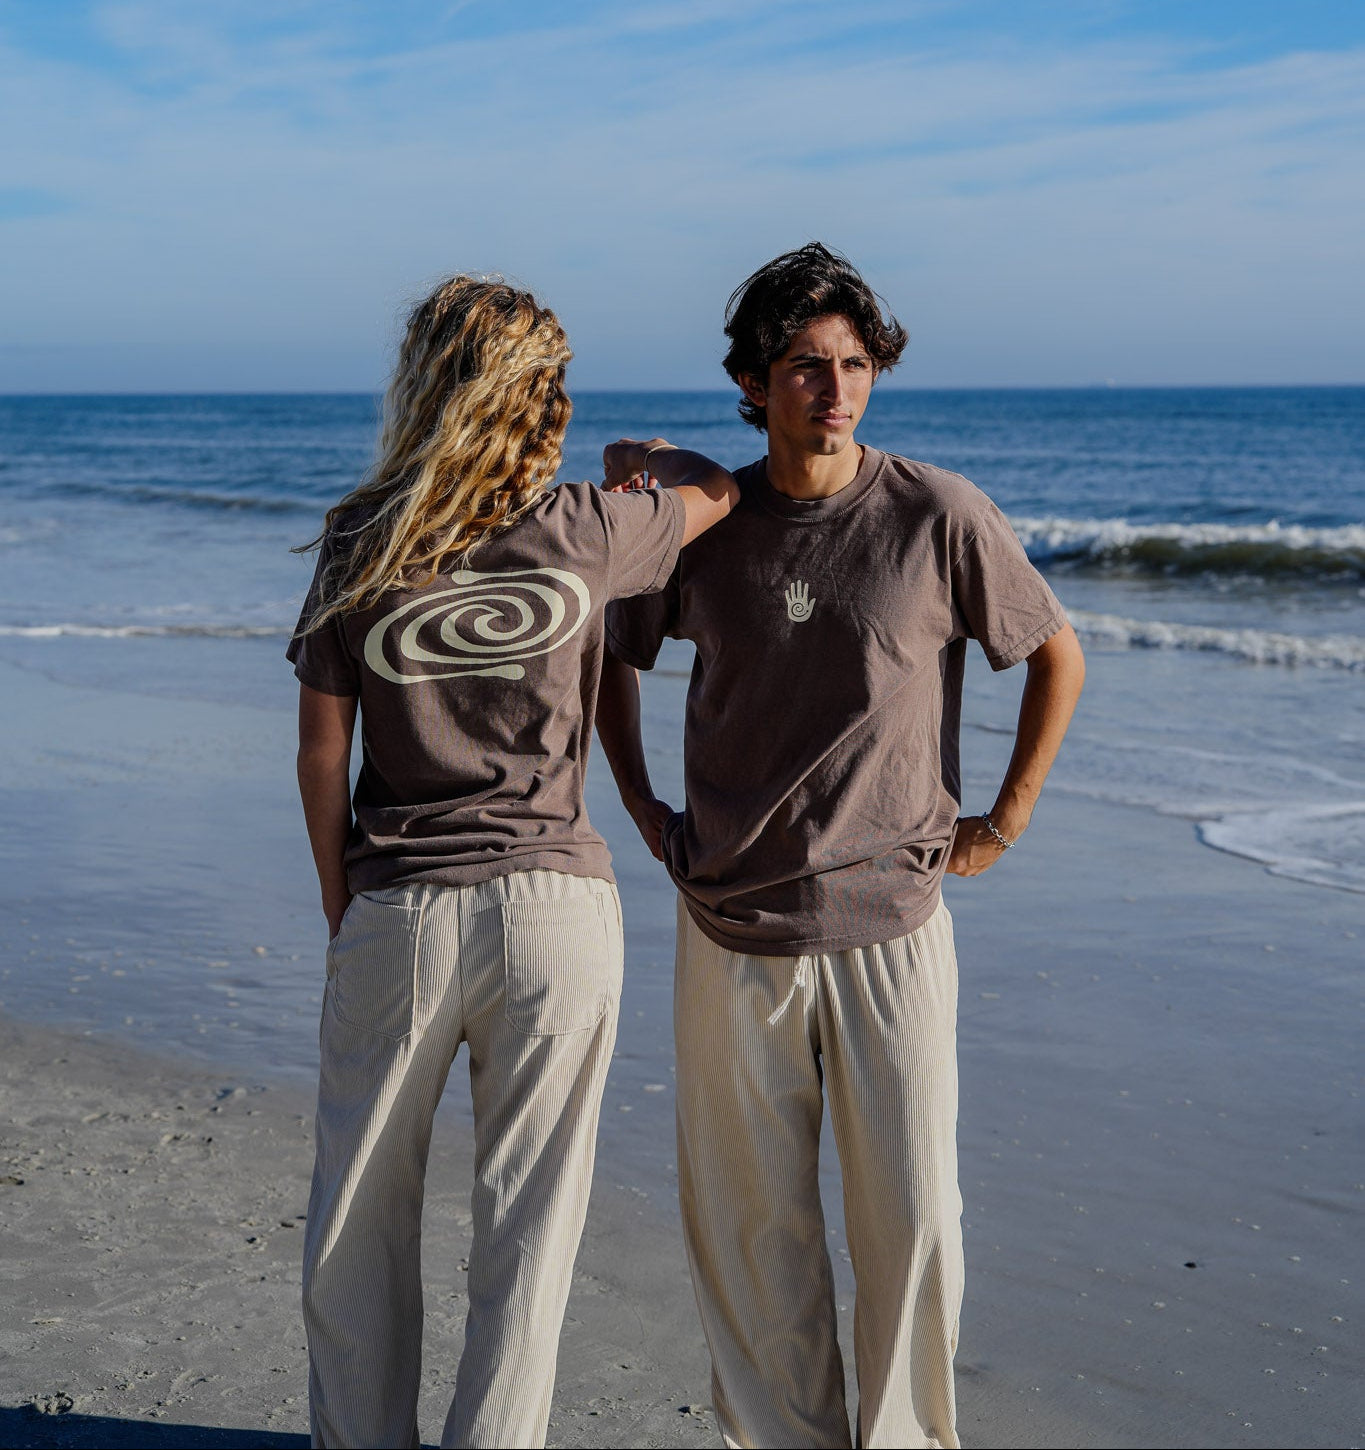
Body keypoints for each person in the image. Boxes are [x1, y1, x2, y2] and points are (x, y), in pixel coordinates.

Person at [597, 243, 1086, 1449]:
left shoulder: (938, 513)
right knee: (753, 1234)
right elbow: (614, 654)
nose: (836, 388)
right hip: (731, 928)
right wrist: (644, 805)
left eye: (855, 364)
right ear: (754, 383)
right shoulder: (702, 524)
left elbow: (1057, 652)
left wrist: (1006, 820)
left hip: (894, 929)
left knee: (914, 1224)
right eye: (806, 366)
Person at [287, 274, 738, 1449]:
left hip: (400, 909)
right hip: (557, 913)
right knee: (529, 1239)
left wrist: (346, 902)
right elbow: (721, 490)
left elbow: (321, 749)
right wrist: (645, 447)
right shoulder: (589, 525)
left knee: (356, 1226)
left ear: (425, 387)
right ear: (539, 399)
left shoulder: (357, 535)